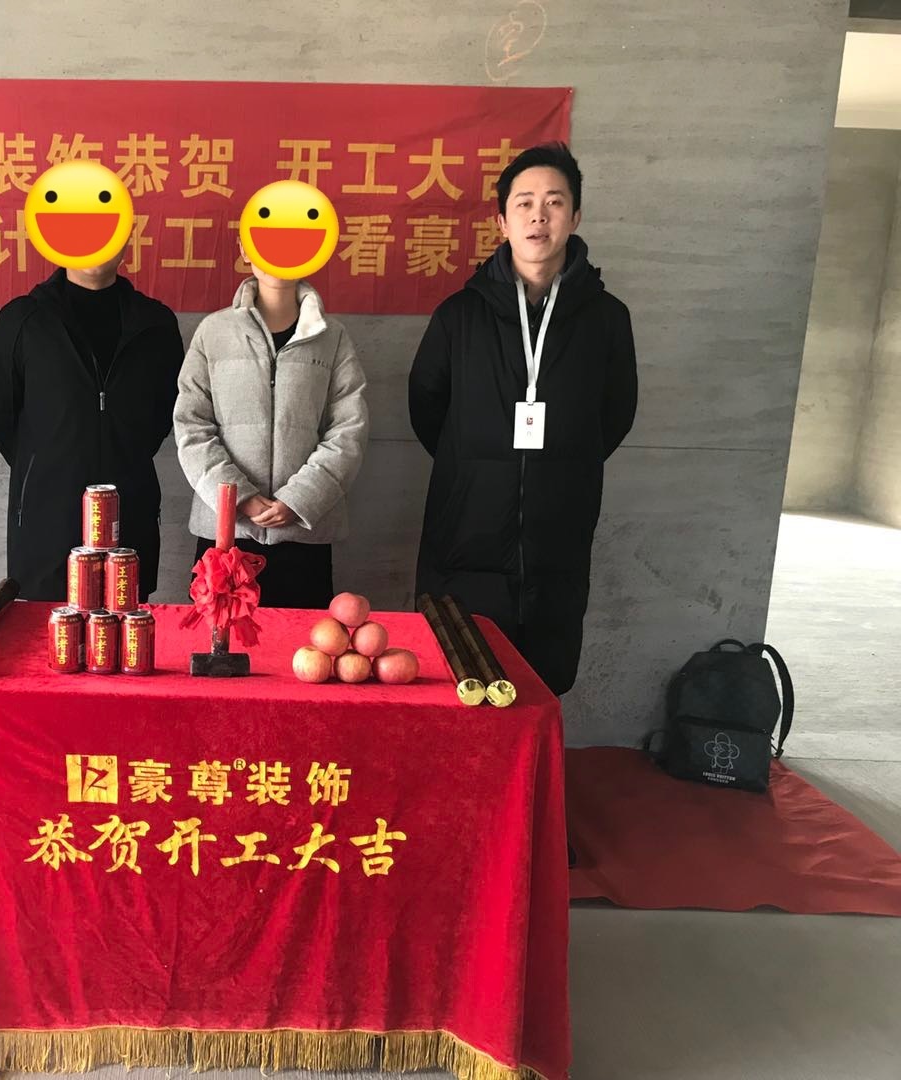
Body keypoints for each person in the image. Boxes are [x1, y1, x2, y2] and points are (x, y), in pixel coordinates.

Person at [408, 142, 637, 695]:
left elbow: (615, 413)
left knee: (540, 687)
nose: (539, 216)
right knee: (460, 682)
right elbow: (426, 406)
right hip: (466, 534)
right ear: (502, 221)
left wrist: (561, 463)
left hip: (558, 533)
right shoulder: (460, 316)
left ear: (574, 217)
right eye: (525, 203)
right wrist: (478, 465)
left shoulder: (606, 319)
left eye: (554, 202)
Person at [0, 248, 184, 601]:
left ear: (126, 238)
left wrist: (117, 449)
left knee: (125, 626)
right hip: (47, 522)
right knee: (48, 631)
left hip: (128, 516)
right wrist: (42, 462)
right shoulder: (22, 320)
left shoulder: (156, 324)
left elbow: (165, 411)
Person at [173, 246, 369, 608]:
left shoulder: (333, 337)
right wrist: (239, 499)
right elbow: (191, 425)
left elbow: (348, 429)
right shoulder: (213, 332)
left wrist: (299, 499)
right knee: (222, 638)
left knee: (303, 639)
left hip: (303, 533)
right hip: (225, 534)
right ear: (245, 249)